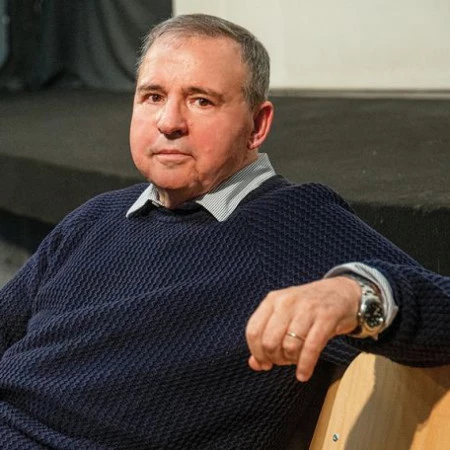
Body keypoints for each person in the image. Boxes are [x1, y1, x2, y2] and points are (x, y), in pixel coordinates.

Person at [0, 13, 449, 450]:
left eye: (201, 101)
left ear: (257, 125)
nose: (169, 122)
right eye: (153, 96)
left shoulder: (294, 223)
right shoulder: (96, 217)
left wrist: (358, 294)